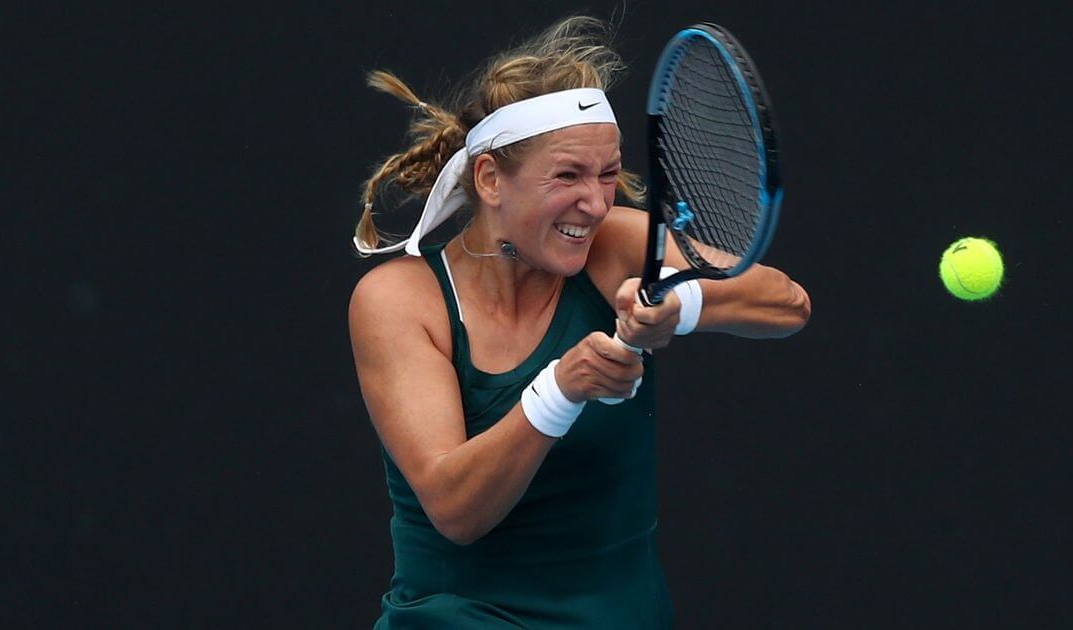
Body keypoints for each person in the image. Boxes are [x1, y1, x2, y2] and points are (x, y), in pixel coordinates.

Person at [348, 16, 811, 628]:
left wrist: (681, 306)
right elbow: (457, 509)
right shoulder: (400, 301)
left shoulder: (615, 242)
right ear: (490, 179)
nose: (595, 203)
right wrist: (561, 388)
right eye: (567, 175)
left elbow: (787, 303)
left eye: (607, 173)